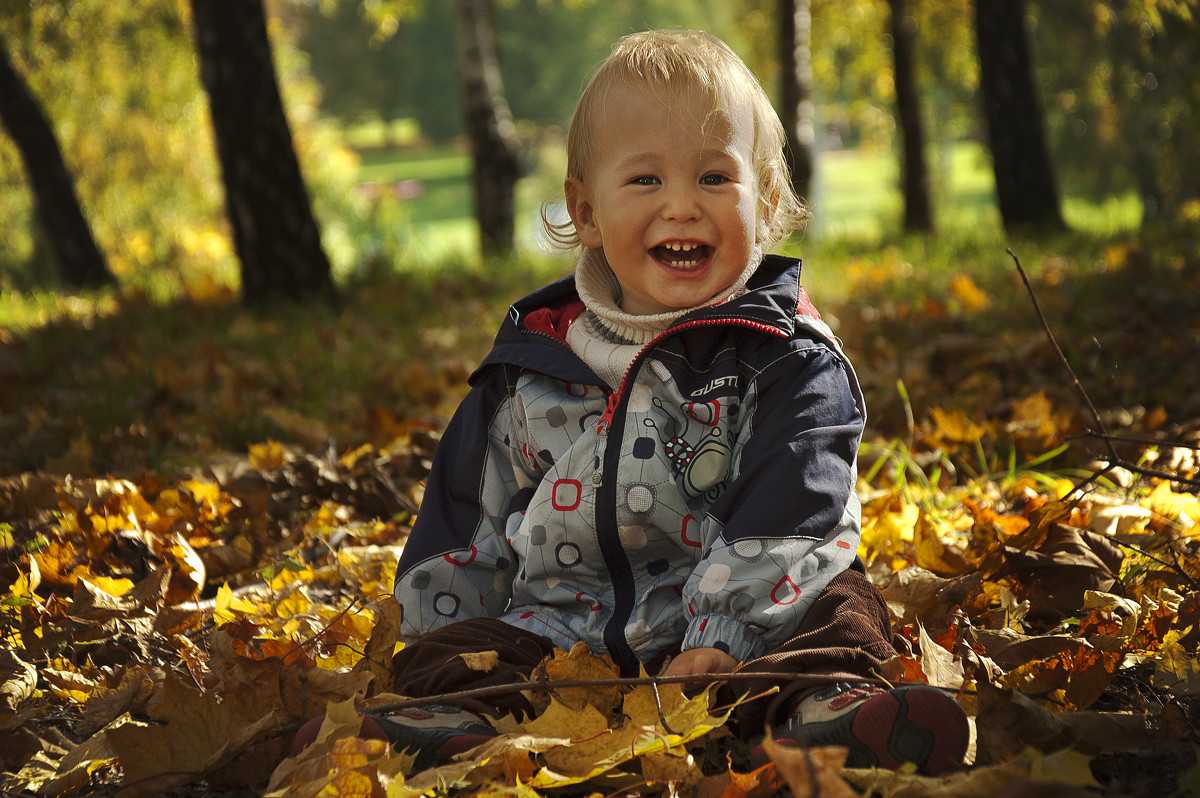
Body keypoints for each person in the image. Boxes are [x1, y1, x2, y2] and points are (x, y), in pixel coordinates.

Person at [296, 28, 968, 775]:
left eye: (715, 178)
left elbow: (797, 501)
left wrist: (725, 630)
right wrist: (436, 632)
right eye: (645, 181)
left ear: (768, 200)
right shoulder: (533, 366)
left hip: (740, 632)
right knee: (465, 652)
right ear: (585, 212)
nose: (681, 205)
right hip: (564, 636)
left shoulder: (786, 357)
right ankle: (446, 726)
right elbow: (465, 515)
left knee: (840, 605)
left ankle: (826, 714)